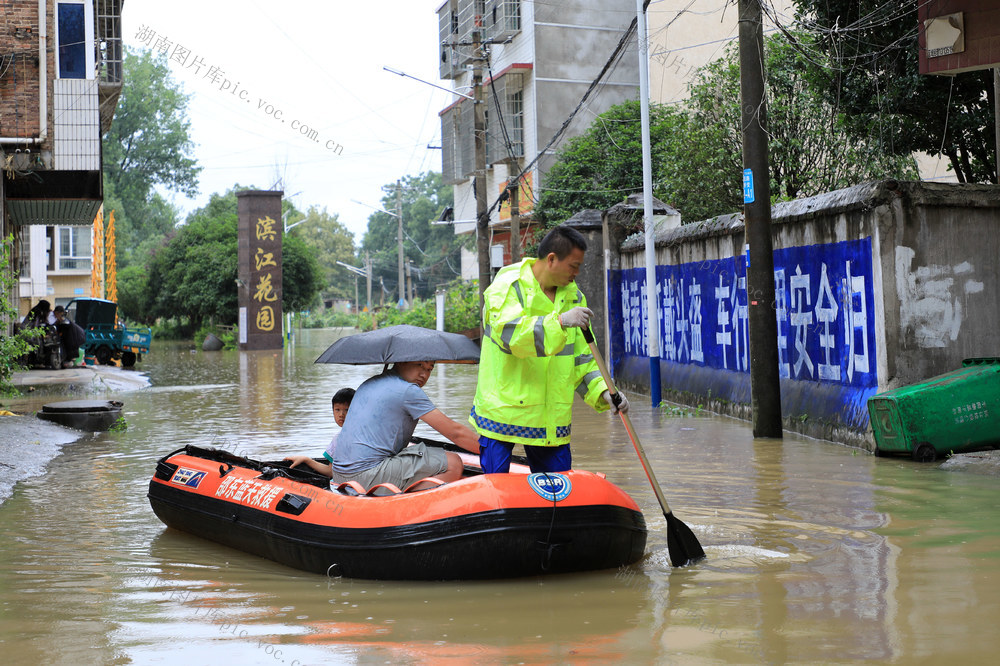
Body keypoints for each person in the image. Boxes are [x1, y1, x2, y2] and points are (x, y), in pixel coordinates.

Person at [470, 224, 630, 474]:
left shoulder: (574, 297)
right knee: (497, 494)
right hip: (502, 413)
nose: (577, 273)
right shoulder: (508, 286)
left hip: (550, 418)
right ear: (552, 259)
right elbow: (513, 337)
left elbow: (583, 358)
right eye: (573, 266)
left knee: (559, 499)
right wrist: (560, 322)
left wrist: (604, 392)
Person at [328, 360, 480, 492]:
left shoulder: (370, 383)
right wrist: (494, 451)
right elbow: (456, 433)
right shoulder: (407, 390)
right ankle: (407, 501)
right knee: (453, 462)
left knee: (421, 451)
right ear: (401, 361)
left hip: (339, 473)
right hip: (364, 476)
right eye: (419, 365)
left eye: (429, 369)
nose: (424, 374)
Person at [285, 387, 355, 477]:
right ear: (333, 411)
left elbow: (331, 473)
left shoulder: (340, 439)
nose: (341, 414)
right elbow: (331, 471)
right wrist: (306, 460)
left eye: (347, 410)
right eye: (337, 410)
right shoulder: (339, 438)